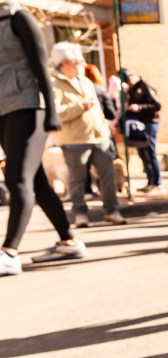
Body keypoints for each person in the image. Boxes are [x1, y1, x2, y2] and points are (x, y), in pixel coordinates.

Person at [0, 0, 86, 274]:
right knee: (35, 181)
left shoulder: (19, 18)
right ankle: (68, 241)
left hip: (29, 107)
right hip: (4, 111)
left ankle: (9, 252)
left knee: (16, 179)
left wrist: (52, 113)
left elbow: (41, 68)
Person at [50, 42, 126, 229]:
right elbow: (55, 113)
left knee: (108, 174)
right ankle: (80, 214)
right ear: (65, 62)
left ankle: (112, 211)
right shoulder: (53, 83)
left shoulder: (85, 80)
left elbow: (98, 110)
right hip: (74, 140)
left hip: (99, 137)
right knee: (77, 180)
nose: (83, 63)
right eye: (78, 60)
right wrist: (80, 107)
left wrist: (106, 132)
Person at [122, 68, 163, 193]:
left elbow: (157, 105)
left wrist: (139, 107)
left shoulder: (144, 86)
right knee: (142, 152)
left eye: (129, 78)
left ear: (135, 75)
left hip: (150, 122)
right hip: (139, 124)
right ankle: (150, 181)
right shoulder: (131, 89)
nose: (129, 82)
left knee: (150, 151)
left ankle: (158, 182)